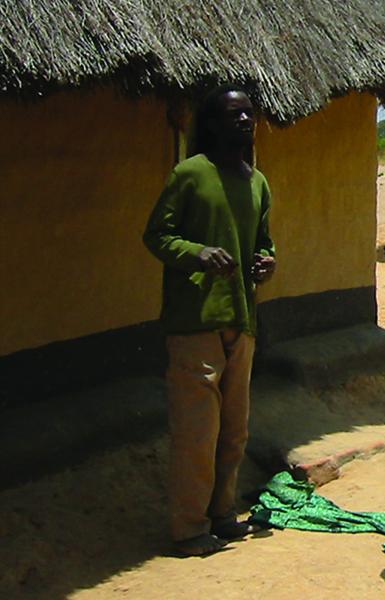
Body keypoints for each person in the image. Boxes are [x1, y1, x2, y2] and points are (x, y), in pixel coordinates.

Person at [143, 85, 276, 557]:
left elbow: (264, 241)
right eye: (234, 115)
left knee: (234, 429)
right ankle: (188, 528)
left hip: (242, 319)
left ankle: (222, 513)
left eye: (250, 114)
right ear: (213, 123)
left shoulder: (257, 182)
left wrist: (266, 261)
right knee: (198, 432)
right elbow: (157, 235)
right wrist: (196, 253)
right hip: (196, 319)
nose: (245, 122)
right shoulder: (190, 174)